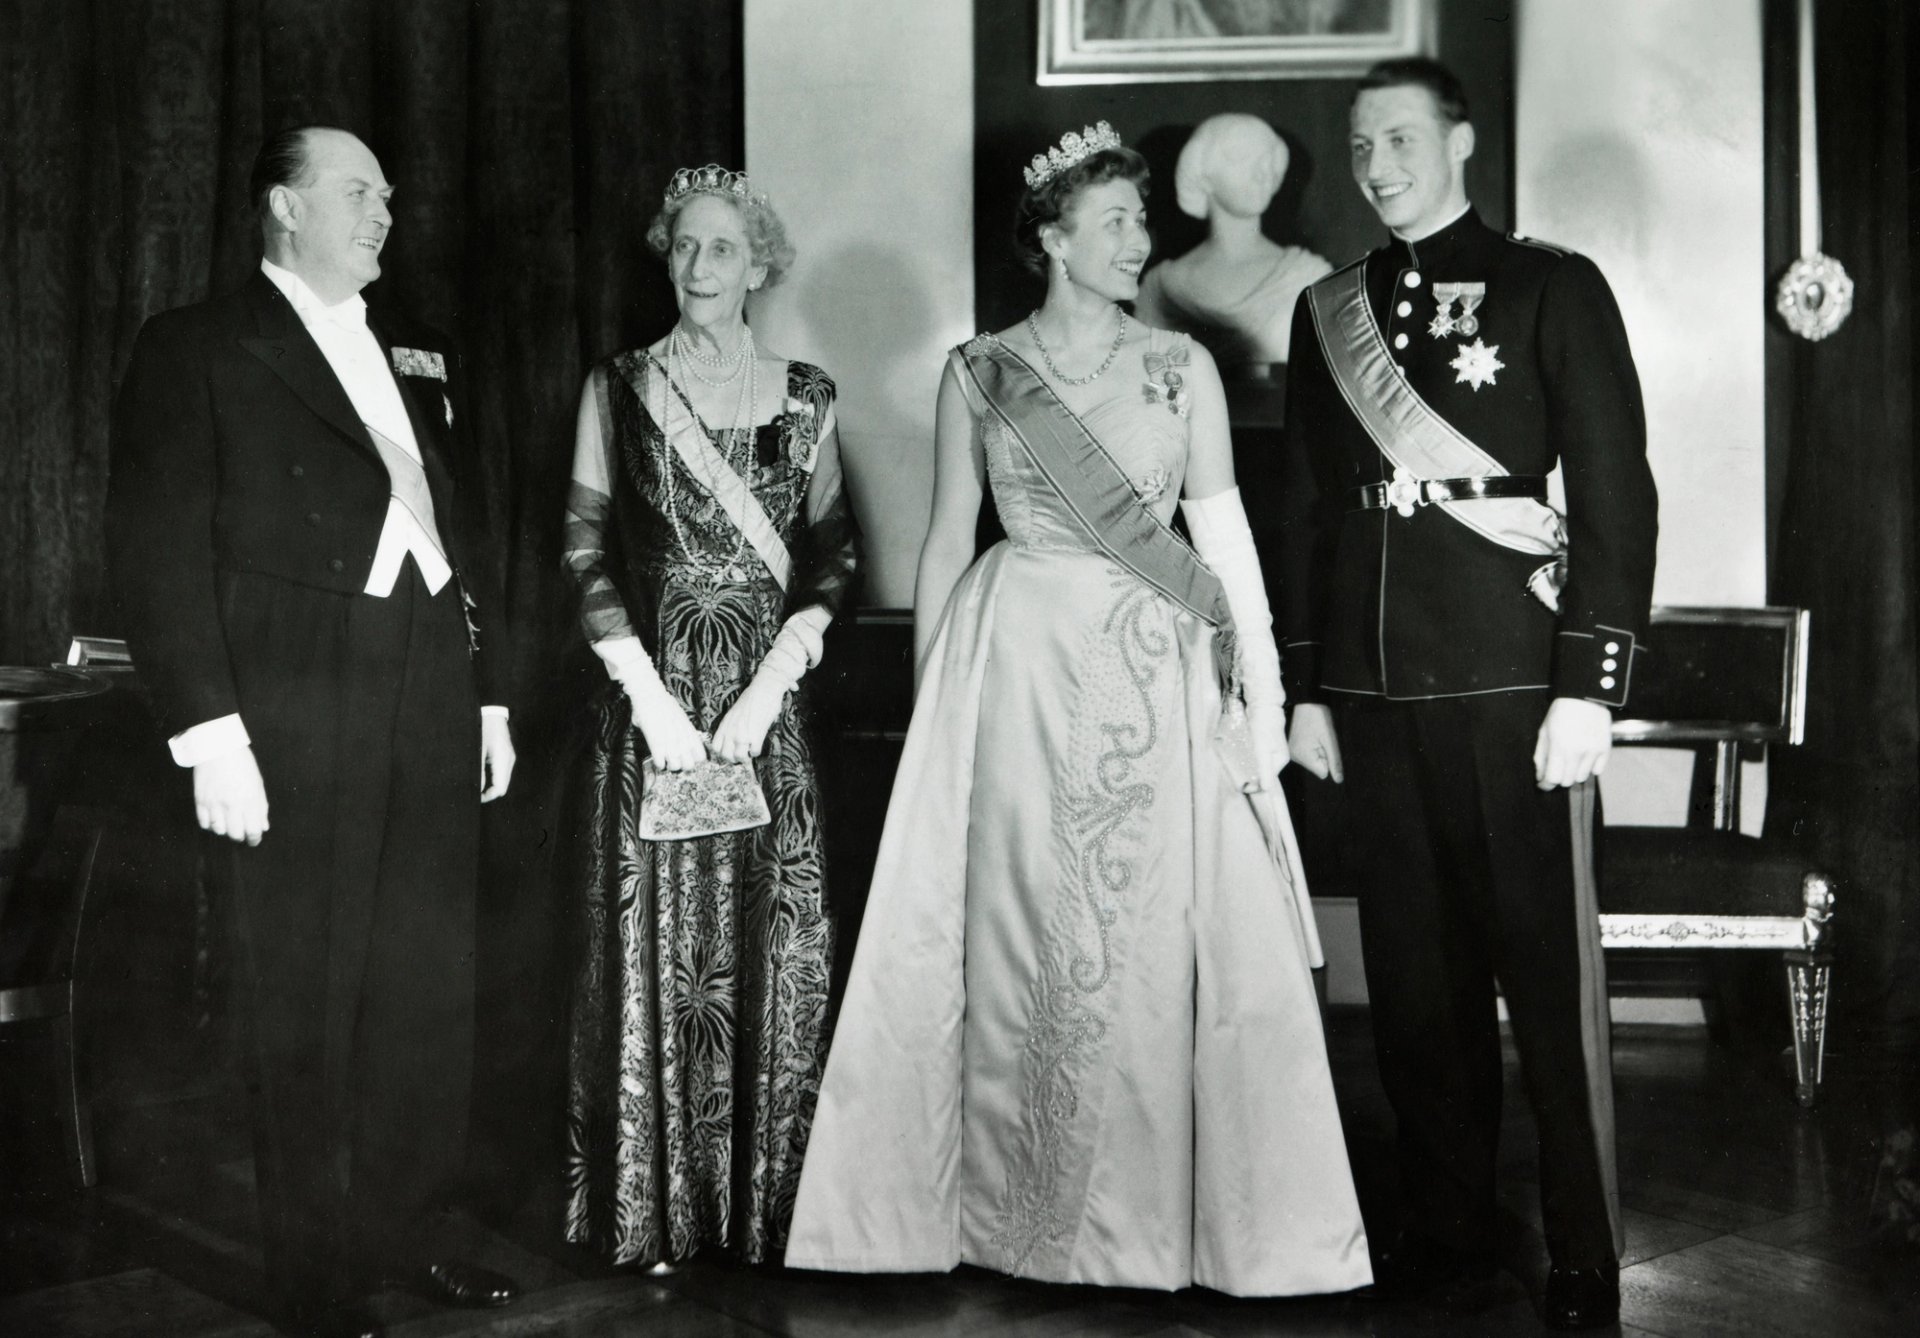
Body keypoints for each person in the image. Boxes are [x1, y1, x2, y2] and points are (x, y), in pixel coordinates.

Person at [785, 122, 1370, 1297]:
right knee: (1009, 934)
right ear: (1052, 240)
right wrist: (933, 714)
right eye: (1113, 223)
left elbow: (1227, 546)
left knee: (1145, 940)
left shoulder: (1182, 367)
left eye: (1140, 220)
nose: (1138, 241)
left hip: (1154, 669)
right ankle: (1008, 1216)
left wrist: (1262, 704)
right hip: (1011, 666)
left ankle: (1137, 1226)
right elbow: (946, 543)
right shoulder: (979, 369)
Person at [105, 127, 520, 1337]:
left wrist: (490, 693)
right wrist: (208, 732)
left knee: (424, 980)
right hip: (291, 694)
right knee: (304, 987)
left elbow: (465, 523)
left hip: (429, 681)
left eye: (387, 193)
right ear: (285, 208)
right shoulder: (196, 345)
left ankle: (412, 1229)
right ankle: (316, 1269)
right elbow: (156, 547)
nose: (382, 212)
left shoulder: (417, 348)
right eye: (355, 192)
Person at [1272, 58, 1659, 1330]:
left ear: (1462, 142)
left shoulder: (1552, 284)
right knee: (1417, 989)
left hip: (1514, 684)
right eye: (1360, 145)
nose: (1376, 165)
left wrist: (1589, 686)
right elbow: (1309, 513)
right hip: (1376, 689)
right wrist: (1309, 689)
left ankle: (1583, 1246)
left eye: (1400, 139)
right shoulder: (1328, 309)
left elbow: (1616, 493)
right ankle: (1445, 1233)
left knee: (1545, 982)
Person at [560, 165, 857, 1269]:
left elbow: (836, 553)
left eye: (722, 247)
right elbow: (582, 547)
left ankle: (768, 1216)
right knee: (656, 948)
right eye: (684, 245)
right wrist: (643, 692)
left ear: (759, 265)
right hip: (656, 712)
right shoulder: (619, 385)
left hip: (762, 715)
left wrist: (776, 678)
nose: (698, 265)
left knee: (773, 943)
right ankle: (659, 1216)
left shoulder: (808, 394)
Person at [1133, 112, 1331, 371]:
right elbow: (1150, 382)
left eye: (1268, 160)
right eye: (1242, 158)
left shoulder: (1308, 277)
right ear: (1203, 173)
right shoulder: (1160, 289)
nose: (1263, 172)